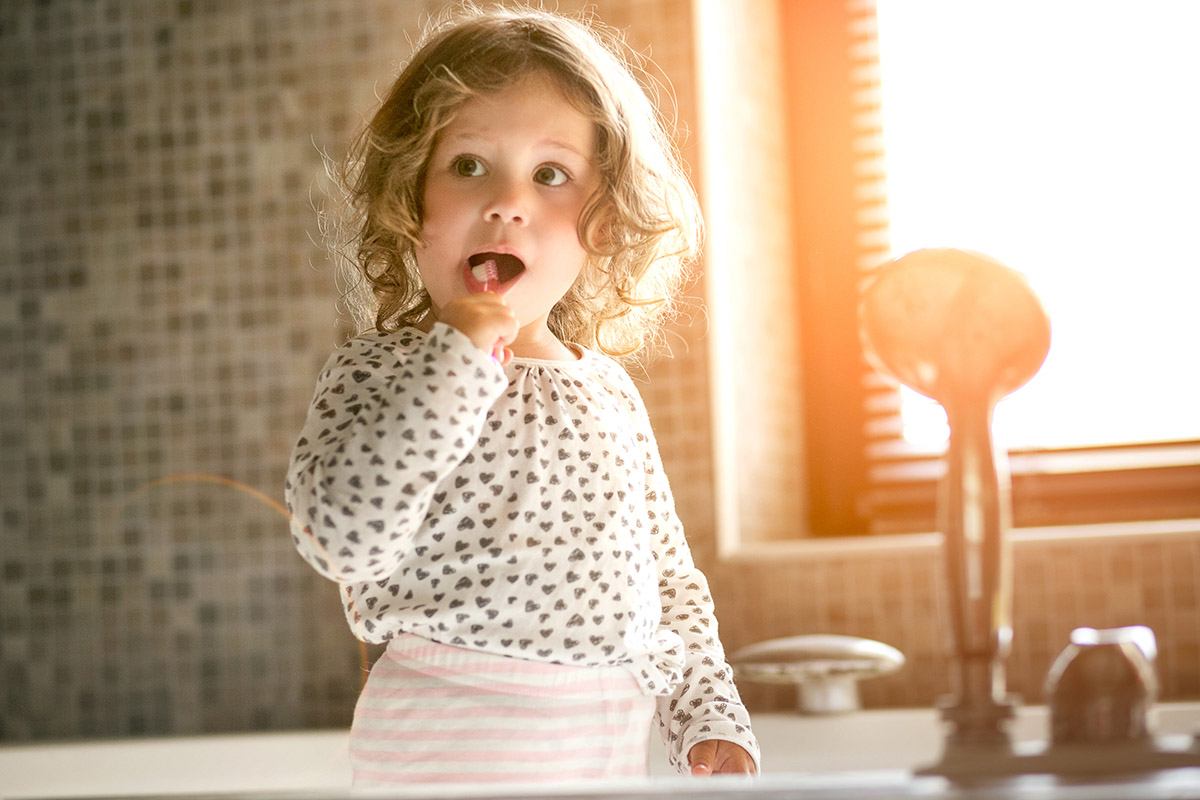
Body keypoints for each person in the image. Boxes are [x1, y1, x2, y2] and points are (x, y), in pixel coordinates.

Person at [285, 3, 759, 786]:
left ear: (600, 223)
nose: (508, 201)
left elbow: (668, 583)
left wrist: (708, 710)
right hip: (446, 741)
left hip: (604, 745)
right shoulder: (381, 372)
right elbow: (340, 537)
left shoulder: (606, 392)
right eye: (469, 165)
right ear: (411, 203)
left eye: (550, 175)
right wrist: (458, 364)